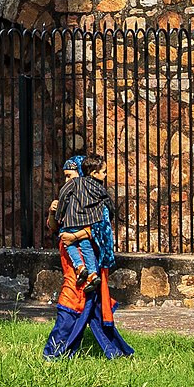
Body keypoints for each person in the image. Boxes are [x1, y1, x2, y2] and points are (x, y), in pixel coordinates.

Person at [44, 152, 133, 360]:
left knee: (72, 304)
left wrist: (74, 236)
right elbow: (55, 228)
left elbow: (101, 229)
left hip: (85, 265)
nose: (67, 180)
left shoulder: (93, 198)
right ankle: (114, 350)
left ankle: (54, 352)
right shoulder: (69, 196)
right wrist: (51, 212)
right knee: (92, 309)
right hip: (70, 261)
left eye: (70, 175)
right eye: (65, 176)